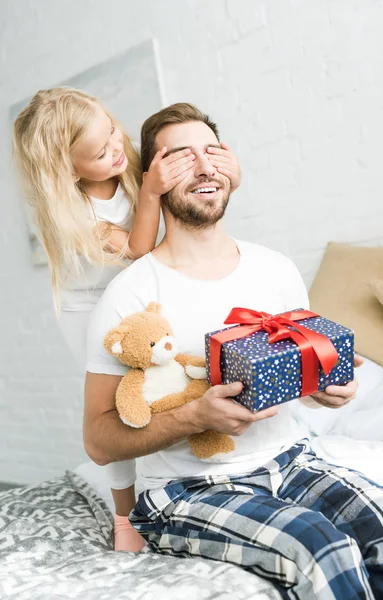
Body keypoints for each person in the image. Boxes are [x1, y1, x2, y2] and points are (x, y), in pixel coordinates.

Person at [84, 102, 383, 598]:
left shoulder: (275, 270)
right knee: (324, 550)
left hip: (292, 460)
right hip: (185, 489)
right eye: (183, 157)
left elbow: (298, 377)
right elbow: (98, 441)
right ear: (155, 178)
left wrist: (324, 388)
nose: (205, 166)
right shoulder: (128, 294)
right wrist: (193, 418)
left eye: (212, 152)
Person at [12, 89, 241, 552]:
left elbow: (187, 202)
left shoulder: (127, 166)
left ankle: (180, 472)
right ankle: (123, 515)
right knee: (116, 407)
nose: (117, 147)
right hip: (89, 306)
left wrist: (226, 177)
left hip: (135, 292)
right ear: (69, 169)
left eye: (114, 130)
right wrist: (152, 189)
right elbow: (138, 249)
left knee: (164, 377)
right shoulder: (75, 213)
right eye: (101, 151)